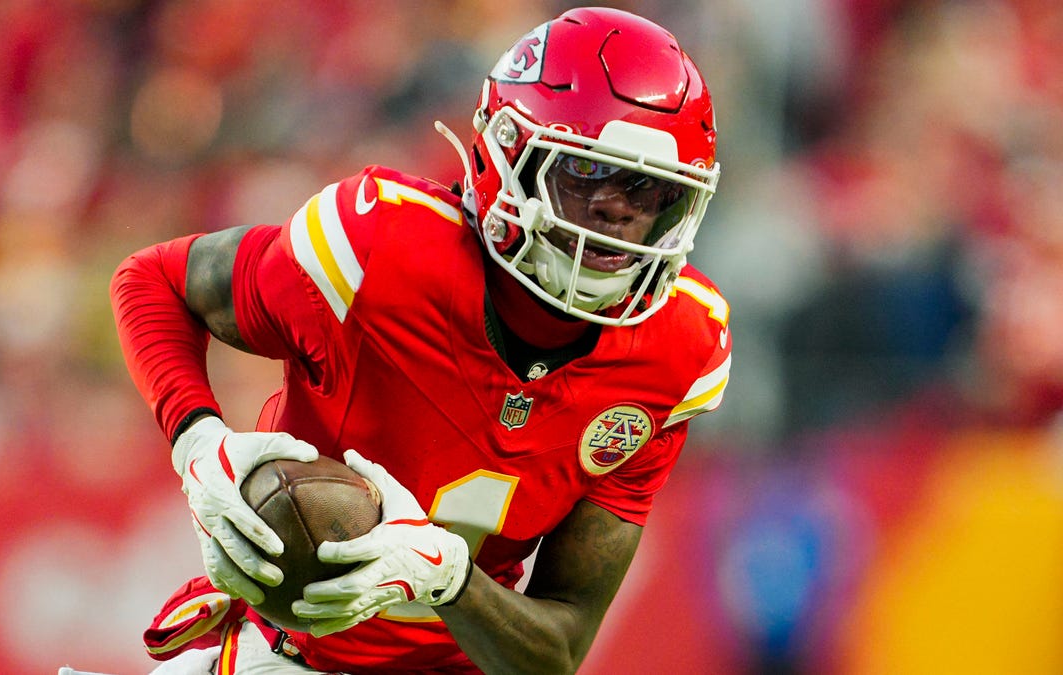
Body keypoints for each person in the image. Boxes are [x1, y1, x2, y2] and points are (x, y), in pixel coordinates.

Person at [109, 7, 730, 674]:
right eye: (585, 175)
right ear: (506, 153)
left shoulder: (679, 348)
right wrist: (197, 440)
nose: (618, 211)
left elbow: (556, 652)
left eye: (649, 190)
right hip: (289, 655)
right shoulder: (381, 247)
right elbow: (152, 280)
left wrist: (448, 577)